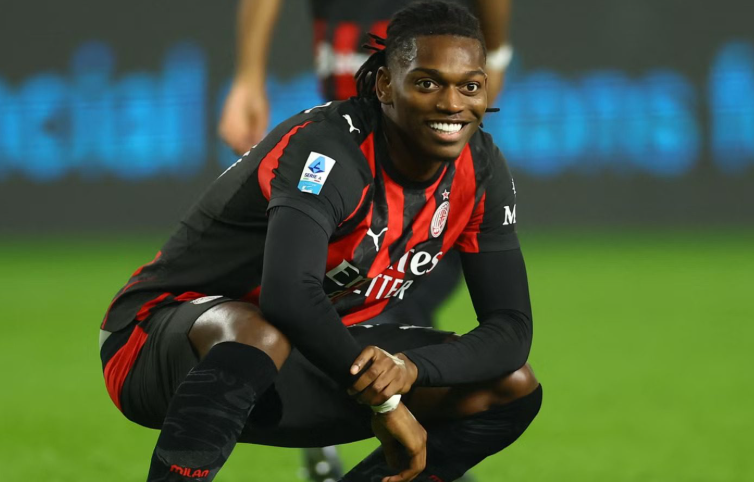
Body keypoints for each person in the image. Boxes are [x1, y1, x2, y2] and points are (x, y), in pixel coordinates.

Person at [100, 2, 541, 481]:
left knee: (510, 386)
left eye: (469, 86)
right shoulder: (330, 149)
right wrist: (387, 401)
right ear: (385, 85)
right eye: (427, 83)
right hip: (154, 343)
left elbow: (511, 328)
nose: (452, 105)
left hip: (304, 359)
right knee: (257, 332)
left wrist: (408, 369)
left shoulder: (481, 168)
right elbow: (288, 296)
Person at [219, 2, 512, 478]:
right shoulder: (336, 132)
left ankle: (396, 452)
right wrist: (248, 76)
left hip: (422, 181)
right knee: (330, 308)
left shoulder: (444, 51)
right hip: (347, 181)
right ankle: (384, 449)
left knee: (398, 314)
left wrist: (496, 54)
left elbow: (511, 327)